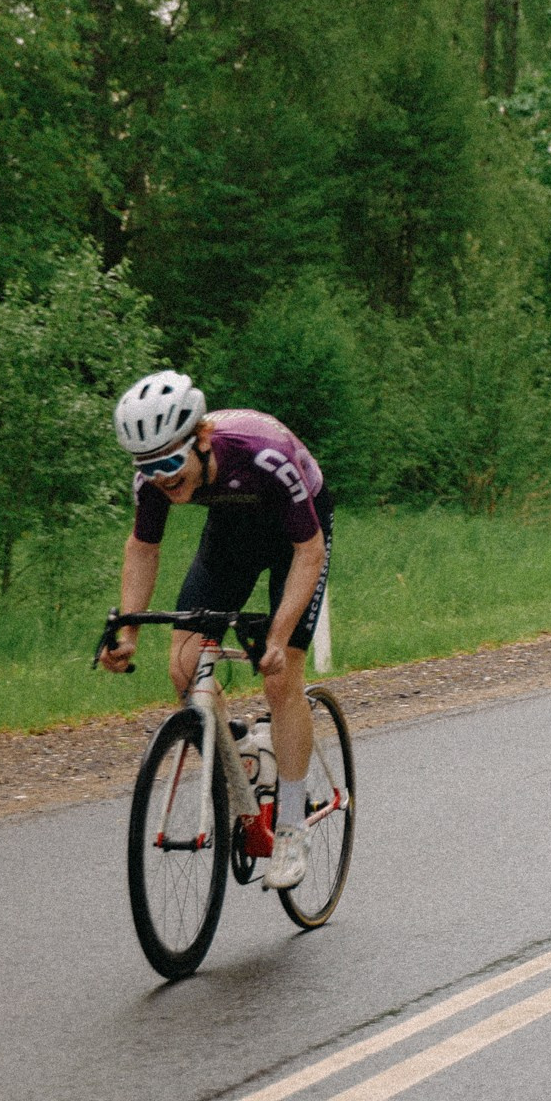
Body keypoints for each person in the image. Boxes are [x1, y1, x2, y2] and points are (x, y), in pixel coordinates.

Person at [103, 372, 332, 891]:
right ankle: (243, 752)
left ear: (202, 440)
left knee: (280, 680)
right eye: (147, 468)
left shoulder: (262, 455)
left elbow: (308, 551)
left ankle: (292, 828)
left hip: (297, 536)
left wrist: (278, 636)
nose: (161, 478)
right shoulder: (156, 480)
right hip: (232, 532)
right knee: (184, 666)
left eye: (168, 463)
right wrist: (129, 630)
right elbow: (143, 548)